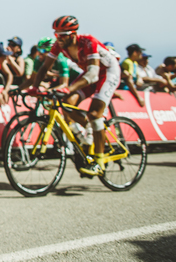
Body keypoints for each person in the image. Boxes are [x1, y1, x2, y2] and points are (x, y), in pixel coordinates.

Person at [28, 15, 121, 177]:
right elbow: (44, 67)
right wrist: (35, 87)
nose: (59, 39)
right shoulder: (58, 45)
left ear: (73, 34)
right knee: (66, 103)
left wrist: (69, 88)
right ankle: (88, 134)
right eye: (56, 34)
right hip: (90, 73)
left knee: (94, 114)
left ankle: (99, 162)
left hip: (107, 72)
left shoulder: (88, 42)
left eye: (62, 35)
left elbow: (93, 74)